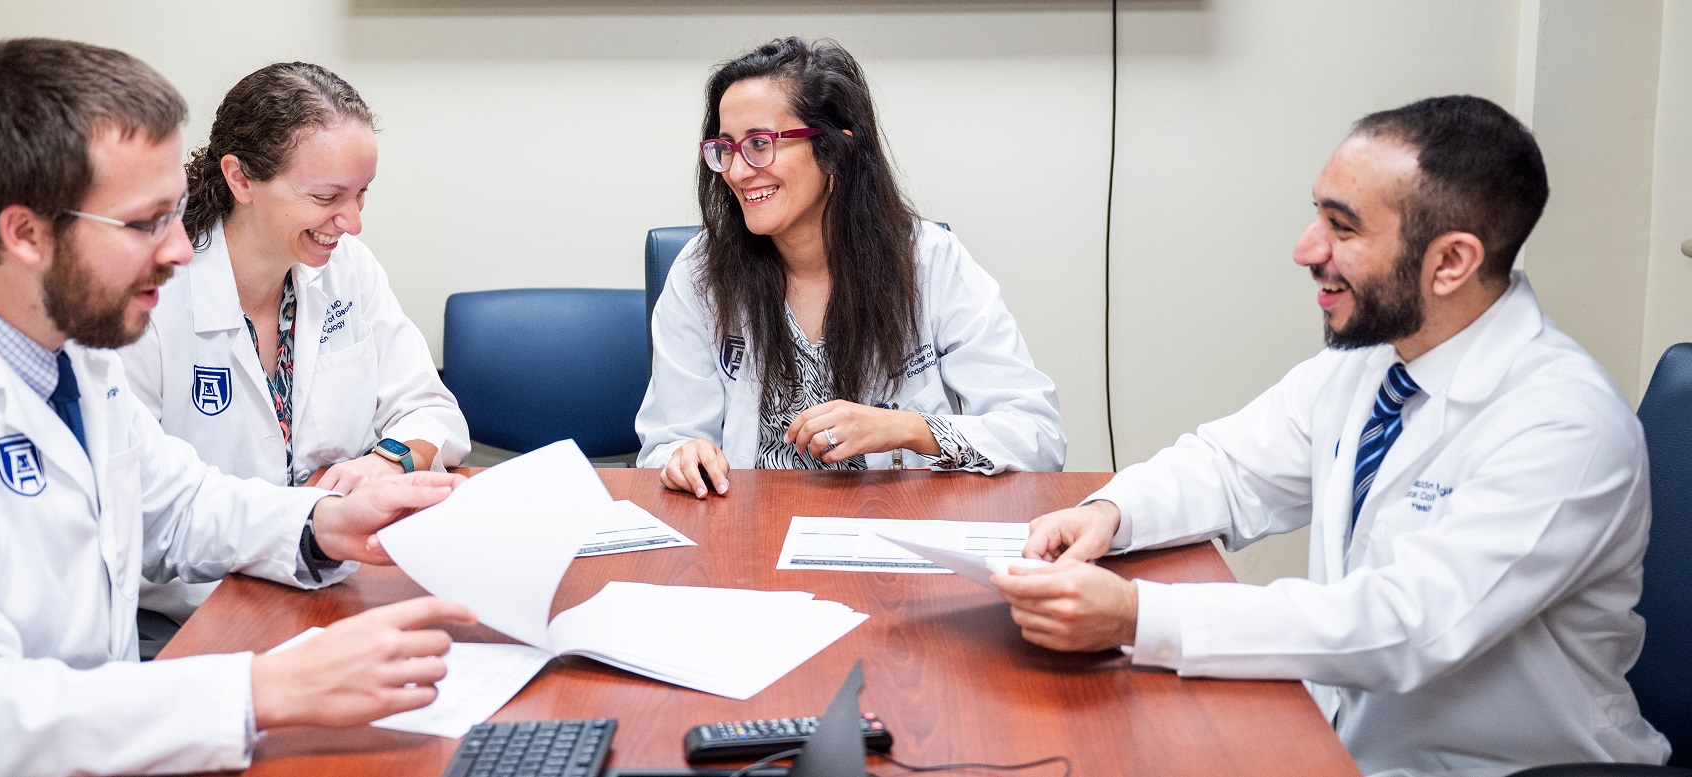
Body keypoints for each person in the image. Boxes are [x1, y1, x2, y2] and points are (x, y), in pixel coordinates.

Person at [0, 39, 476, 777]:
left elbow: (178, 503)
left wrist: (320, 525)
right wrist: (262, 689)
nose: (183, 250)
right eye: (147, 222)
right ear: (24, 232)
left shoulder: (69, 352)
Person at [997, 96, 1670, 776]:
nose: (1305, 249)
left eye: (1342, 228)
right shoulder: (1374, 362)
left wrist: (1139, 616)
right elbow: (1230, 467)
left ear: (1451, 262)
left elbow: (1407, 623)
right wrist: (1111, 512)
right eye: (1318, 212)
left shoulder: (1565, 424)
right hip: (1339, 743)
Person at [637, 37, 1065, 497]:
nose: (738, 172)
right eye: (726, 147)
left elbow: (1037, 436)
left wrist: (906, 428)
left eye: (760, 144)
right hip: (746, 539)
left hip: (900, 529)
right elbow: (666, 446)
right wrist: (684, 458)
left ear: (835, 151)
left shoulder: (929, 260)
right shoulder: (701, 273)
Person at [121, 62, 469, 625]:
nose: (351, 223)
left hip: (331, 585)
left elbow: (430, 409)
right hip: (193, 611)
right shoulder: (149, 296)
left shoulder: (345, 268)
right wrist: (311, 515)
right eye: (327, 196)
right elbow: (144, 511)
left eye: (361, 195)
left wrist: (389, 461)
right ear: (240, 179)